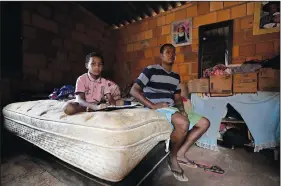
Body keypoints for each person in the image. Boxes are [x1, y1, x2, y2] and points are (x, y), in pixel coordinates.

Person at [130, 43, 210, 181]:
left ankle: (181, 152)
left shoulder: (175, 76)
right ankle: (172, 158)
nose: (171, 55)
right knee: (183, 123)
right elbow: (134, 90)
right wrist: (152, 105)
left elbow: (177, 98)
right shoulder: (150, 70)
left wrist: (182, 110)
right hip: (157, 107)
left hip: (171, 108)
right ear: (161, 55)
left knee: (204, 123)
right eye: (168, 52)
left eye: (173, 53)